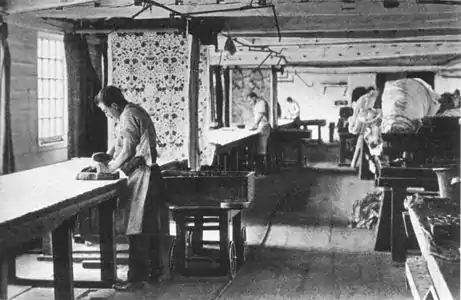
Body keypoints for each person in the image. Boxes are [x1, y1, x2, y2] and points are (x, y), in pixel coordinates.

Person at [94, 86, 171, 291]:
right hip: (150, 174)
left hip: (144, 175)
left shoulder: (128, 115)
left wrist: (110, 167)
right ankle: (156, 273)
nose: (107, 115)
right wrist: (108, 155)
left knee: (137, 229)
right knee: (150, 228)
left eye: (105, 110)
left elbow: (128, 149)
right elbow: (122, 143)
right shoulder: (132, 112)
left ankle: (136, 279)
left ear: (115, 105)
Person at [248, 92, 271, 175]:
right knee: (260, 150)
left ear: (253, 97)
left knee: (261, 150)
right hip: (261, 127)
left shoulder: (261, 103)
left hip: (263, 127)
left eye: (250, 100)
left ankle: (262, 171)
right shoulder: (258, 104)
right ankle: (260, 170)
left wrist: (255, 125)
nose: (250, 102)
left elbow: (261, 115)